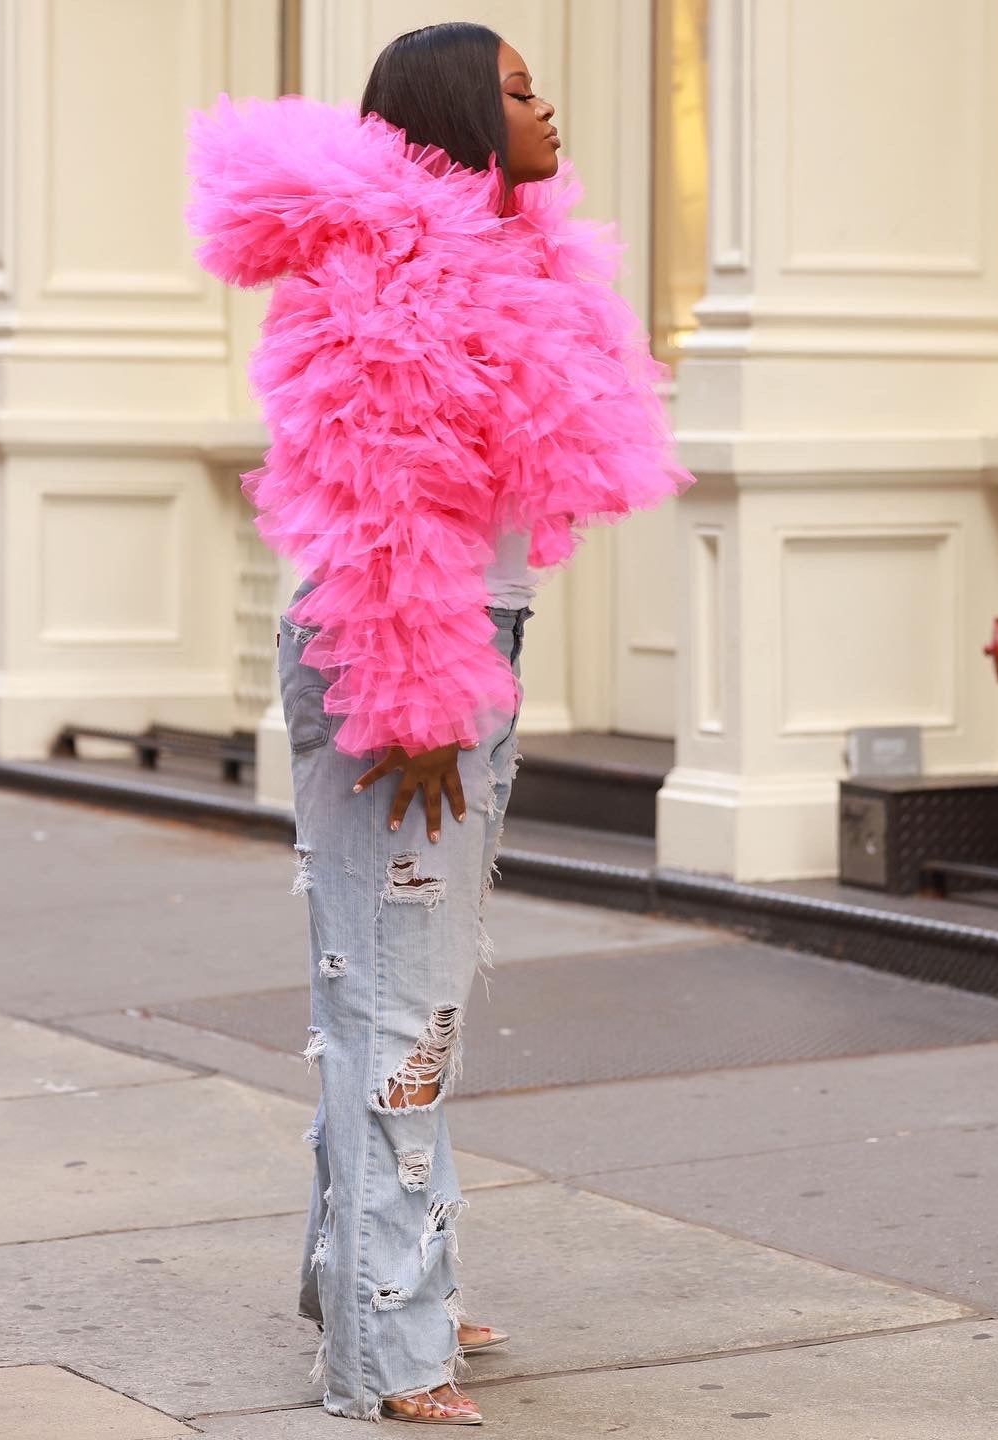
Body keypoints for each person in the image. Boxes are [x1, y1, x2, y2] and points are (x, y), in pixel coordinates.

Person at [186, 21, 691, 1425]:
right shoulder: (388, 273)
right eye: (521, 91)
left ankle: (373, 1275)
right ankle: (384, 1353)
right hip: (392, 657)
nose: (551, 108)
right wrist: (407, 694)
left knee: (415, 994)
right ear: (465, 111)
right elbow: (374, 503)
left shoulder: (504, 258)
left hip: (470, 645)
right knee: (396, 1005)